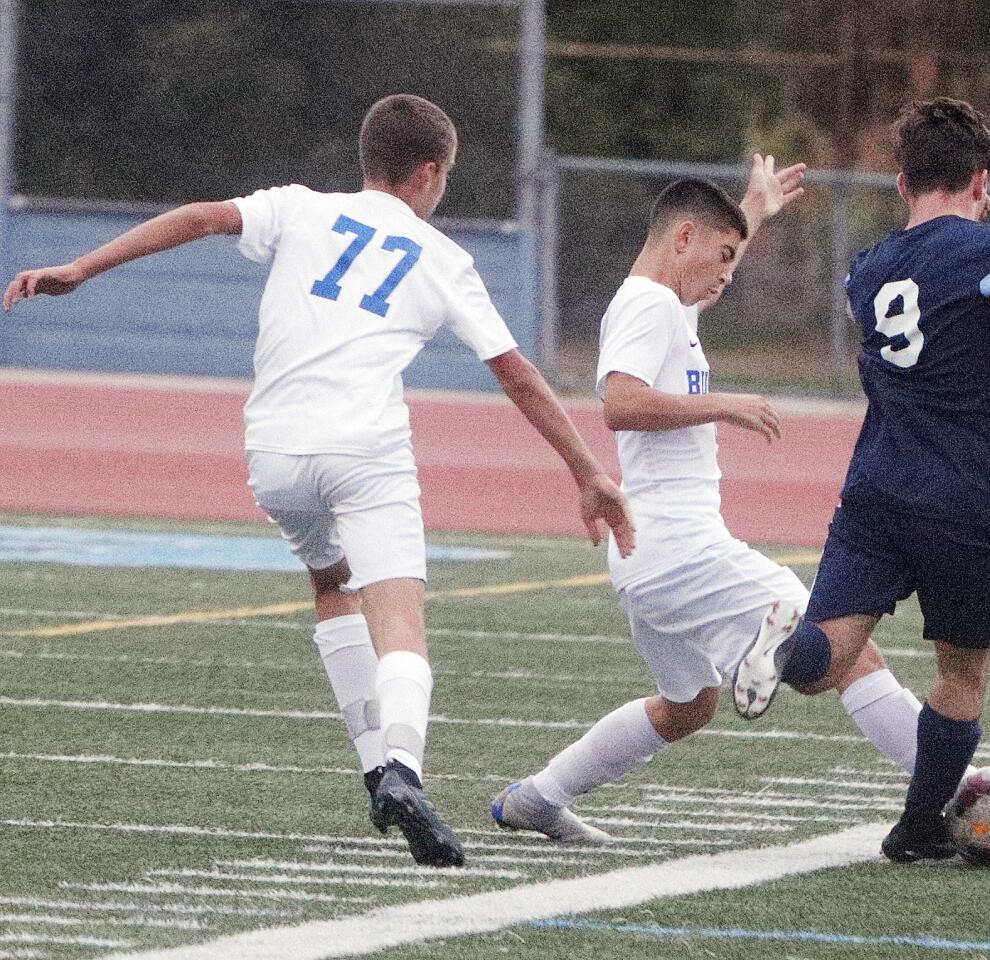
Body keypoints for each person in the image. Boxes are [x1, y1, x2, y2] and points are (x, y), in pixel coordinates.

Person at [4, 93, 636, 867]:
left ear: (368, 159)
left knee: (331, 584)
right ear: (429, 173)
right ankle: (402, 767)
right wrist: (587, 472)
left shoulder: (299, 209)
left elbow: (201, 216)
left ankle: (375, 770)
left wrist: (82, 267)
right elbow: (519, 376)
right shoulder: (442, 258)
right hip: (363, 448)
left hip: (272, 453)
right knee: (398, 619)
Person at [490, 157, 945, 843]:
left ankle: (537, 797)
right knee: (844, 651)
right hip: (680, 548)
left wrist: (751, 212)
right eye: (721, 256)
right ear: (681, 239)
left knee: (687, 707)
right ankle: (961, 789)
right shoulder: (648, 305)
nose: (727, 274)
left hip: (645, 557)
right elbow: (619, 403)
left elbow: (702, 282)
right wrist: (722, 405)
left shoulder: (662, 304)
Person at [742, 97, 990, 863]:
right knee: (962, 672)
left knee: (825, 663)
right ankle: (915, 829)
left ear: (902, 182)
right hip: (965, 499)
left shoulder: (866, 268)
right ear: (979, 180)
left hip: (874, 488)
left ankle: (781, 650)